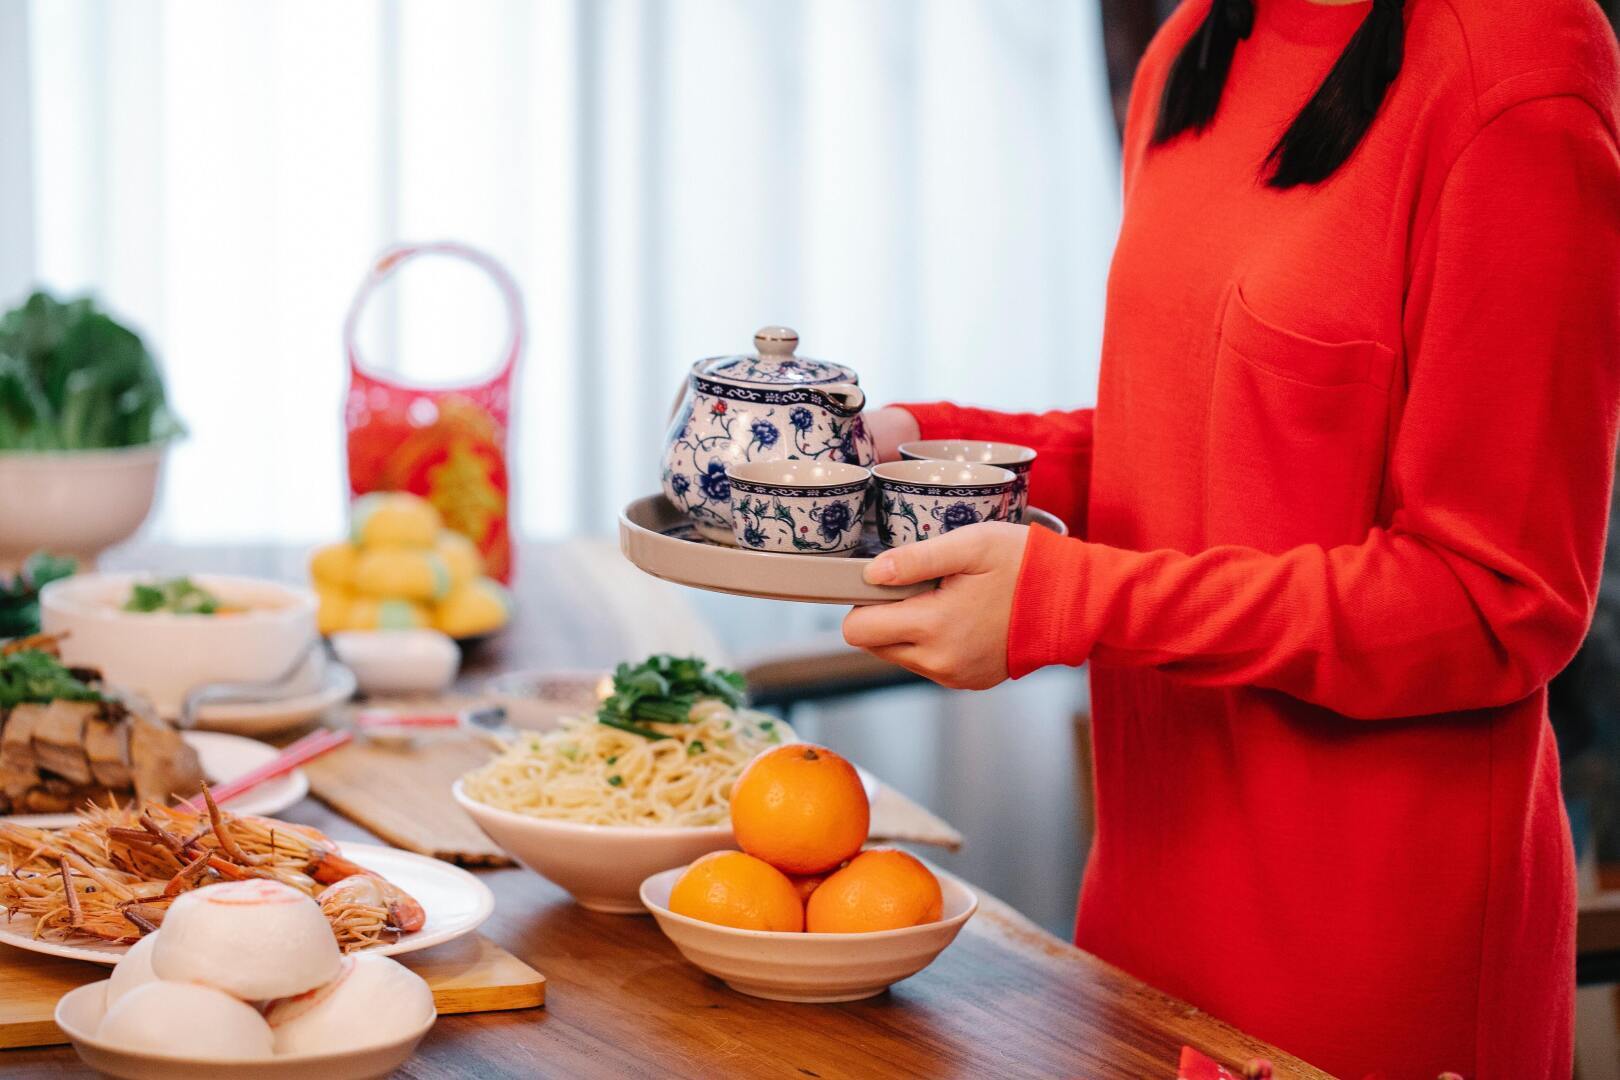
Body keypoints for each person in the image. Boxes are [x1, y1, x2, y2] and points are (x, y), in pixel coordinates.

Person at [845, 0, 1620, 1075]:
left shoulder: (1520, 67)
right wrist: (926, 448)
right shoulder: (1189, 47)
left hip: (1370, 968)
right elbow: (1205, 439)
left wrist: (1072, 600)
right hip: (1139, 920)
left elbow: (1496, 598)